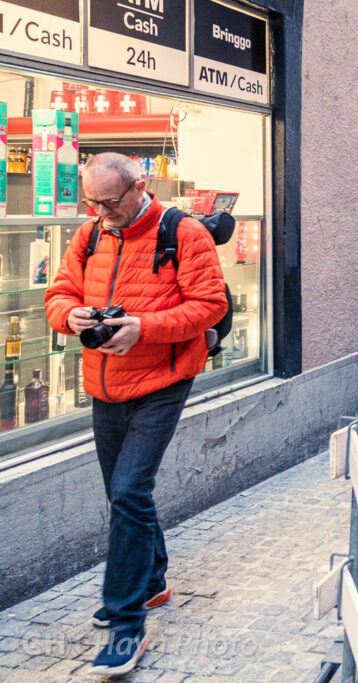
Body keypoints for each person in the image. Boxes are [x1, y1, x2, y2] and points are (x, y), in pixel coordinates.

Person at [44, 153, 228, 677]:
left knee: (127, 491)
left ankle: (127, 624)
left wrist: (142, 327)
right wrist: (69, 315)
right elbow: (58, 293)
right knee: (125, 493)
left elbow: (209, 305)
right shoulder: (89, 235)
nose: (102, 211)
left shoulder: (184, 232)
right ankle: (151, 582)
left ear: (138, 187)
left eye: (110, 201)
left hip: (165, 381)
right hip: (104, 383)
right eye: (92, 202)